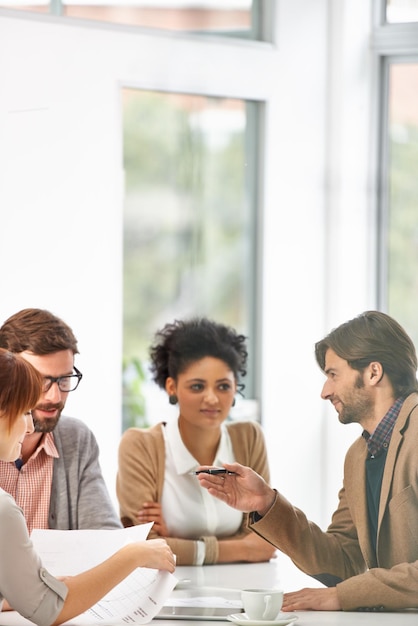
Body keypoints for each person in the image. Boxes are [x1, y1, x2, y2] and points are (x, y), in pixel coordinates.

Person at [197, 311, 418, 611]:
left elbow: (347, 585)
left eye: (333, 374)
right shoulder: (358, 456)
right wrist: (268, 504)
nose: (325, 392)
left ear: (373, 373)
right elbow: (343, 560)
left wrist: (342, 596)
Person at [0, 347, 175, 626]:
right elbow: (50, 610)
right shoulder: (3, 509)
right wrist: (132, 555)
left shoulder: (76, 438)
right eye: (23, 412)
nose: (30, 426)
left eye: (64, 380)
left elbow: (102, 531)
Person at [116, 317, 276, 565]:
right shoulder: (141, 446)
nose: (212, 399)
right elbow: (142, 548)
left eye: (223, 386)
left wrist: (176, 543)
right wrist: (243, 548)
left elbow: (266, 541)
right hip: (169, 592)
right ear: (172, 387)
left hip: (243, 587)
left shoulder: (248, 438)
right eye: (197, 386)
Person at [0, 308, 121, 532]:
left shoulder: (76, 438)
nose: (55, 396)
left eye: (64, 379)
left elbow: (105, 536)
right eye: (39, 380)